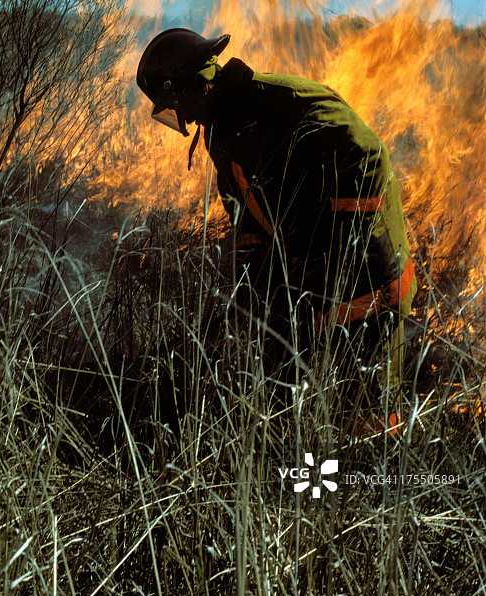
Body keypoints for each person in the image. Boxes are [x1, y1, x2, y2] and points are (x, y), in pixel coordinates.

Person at [136, 28, 417, 436]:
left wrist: (310, 244)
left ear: (197, 84)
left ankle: (381, 475)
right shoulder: (224, 125)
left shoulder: (267, 106)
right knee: (316, 372)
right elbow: (245, 206)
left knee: (365, 389)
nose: (185, 117)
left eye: (178, 104)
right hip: (327, 257)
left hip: (362, 249)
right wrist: (251, 278)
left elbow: (363, 154)